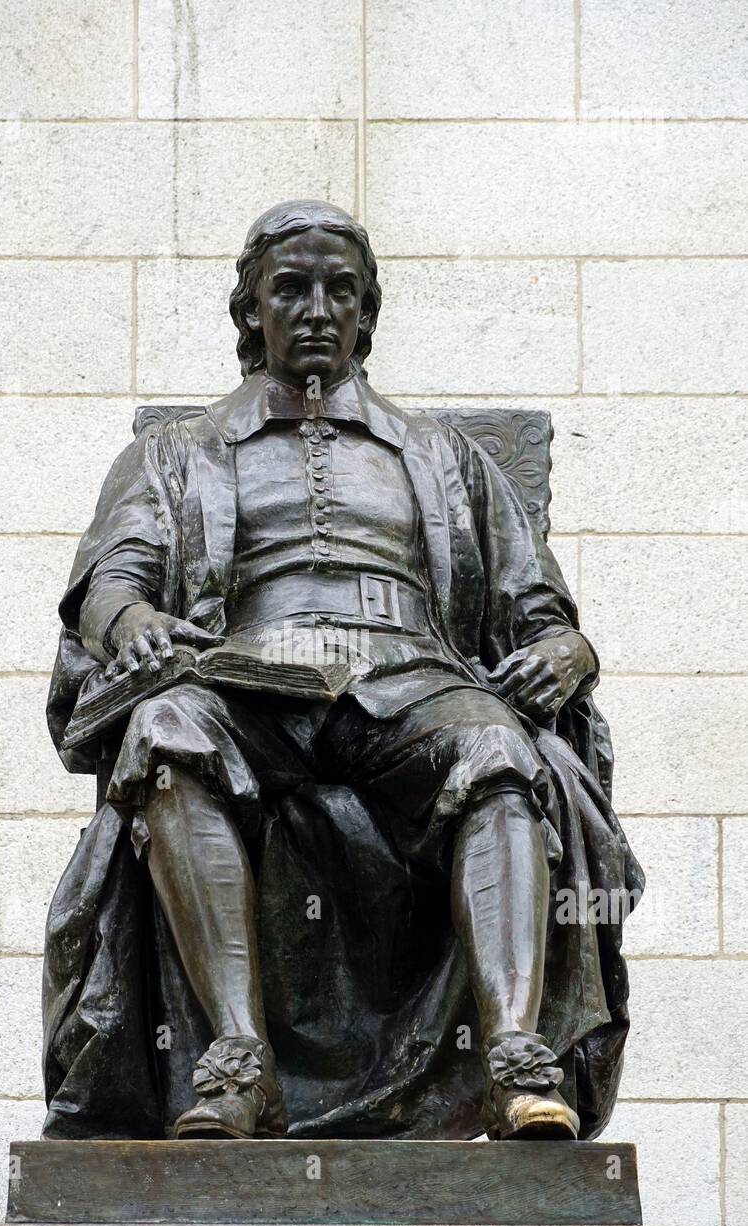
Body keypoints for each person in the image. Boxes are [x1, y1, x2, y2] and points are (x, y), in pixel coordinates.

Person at [44, 201, 641, 1143]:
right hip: (248, 680)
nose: (317, 308)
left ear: (368, 311)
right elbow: (108, 585)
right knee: (165, 731)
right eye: (291, 289)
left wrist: (571, 652)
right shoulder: (176, 452)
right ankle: (240, 1063)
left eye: (340, 290)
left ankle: (516, 1058)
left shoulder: (446, 458)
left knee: (497, 747)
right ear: (252, 313)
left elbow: (543, 614)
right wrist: (135, 621)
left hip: (411, 680)